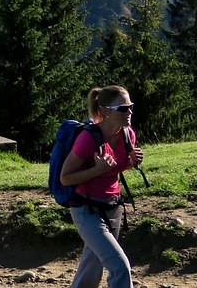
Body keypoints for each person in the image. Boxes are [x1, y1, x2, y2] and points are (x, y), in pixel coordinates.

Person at [58, 85, 145, 288]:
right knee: (120, 267)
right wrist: (96, 169)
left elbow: (112, 171)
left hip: (113, 208)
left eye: (131, 106)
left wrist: (131, 163)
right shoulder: (88, 139)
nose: (129, 111)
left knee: (91, 268)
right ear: (105, 111)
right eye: (123, 108)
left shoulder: (128, 135)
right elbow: (65, 177)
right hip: (86, 211)